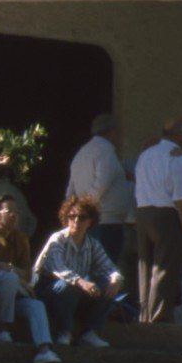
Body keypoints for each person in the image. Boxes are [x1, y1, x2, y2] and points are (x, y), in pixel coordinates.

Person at [31, 195, 119, 350]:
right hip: (48, 289)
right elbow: (59, 270)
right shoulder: (58, 239)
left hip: (76, 291)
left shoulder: (92, 244)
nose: (76, 221)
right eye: (72, 216)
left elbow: (109, 268)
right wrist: (81, 282)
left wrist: (115, 279)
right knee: (67, 286)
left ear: (90, 221)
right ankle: (64, 332)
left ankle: (89, 333)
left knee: (107, 286)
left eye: (82, 217)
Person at [0, 194, 58, 362]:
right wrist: (12, 273)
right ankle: (3, 328)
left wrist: (11, 269)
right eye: (9, 211)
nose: (14, 215)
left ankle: (44, 350)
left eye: (17, 212)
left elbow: (27, 274)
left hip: (14, 294)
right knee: (9, 278)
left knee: (36, 305)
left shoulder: (20, 238)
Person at [131, 118, 182, 323]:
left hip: (142, 214)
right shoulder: (177, 158)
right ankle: (159, 318)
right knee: (165, 268)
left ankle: (144, 316)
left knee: (145, 268)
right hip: (166, 215)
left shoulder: (145, 155)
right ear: (178, 134)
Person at [65, 114, 136, 275]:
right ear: (111, 132)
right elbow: (99, 187)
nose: (119, 136)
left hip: (92, 224)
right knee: (104, 273)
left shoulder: (81, 154)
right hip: (105, 224)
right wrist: (86, 212)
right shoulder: (106, 152)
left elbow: (70, 192)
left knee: (93, 269)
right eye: (118, 132)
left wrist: (76, 217)